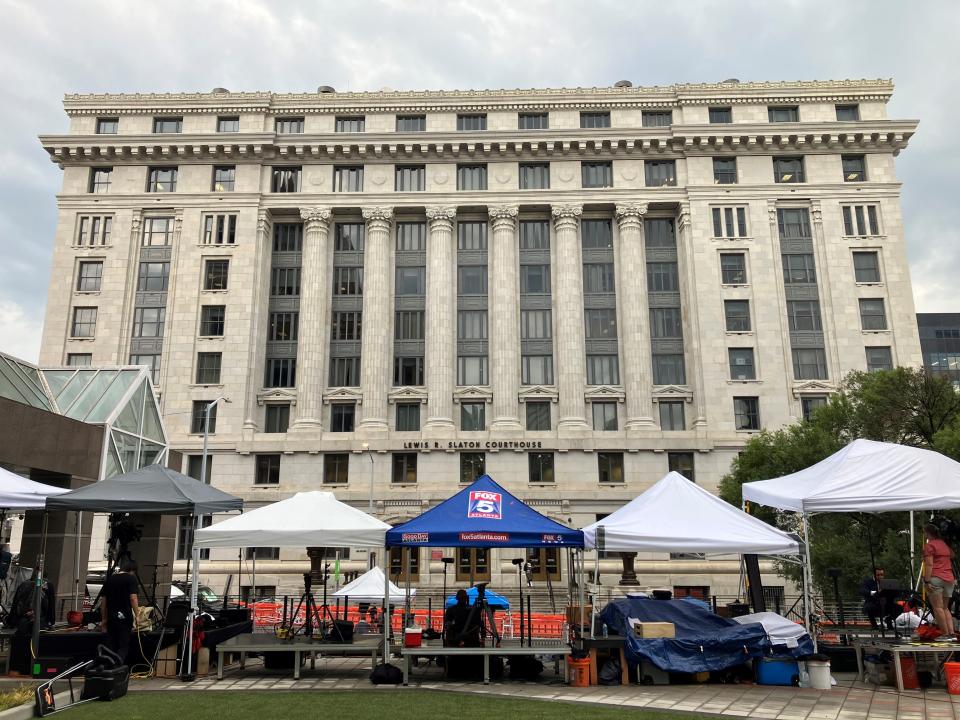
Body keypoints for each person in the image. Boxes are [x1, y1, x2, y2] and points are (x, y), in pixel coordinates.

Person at [100, 559, 139, 662]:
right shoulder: (131, 579)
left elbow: (103, 603)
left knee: (111, 645)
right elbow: (133, 598)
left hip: (111, 618)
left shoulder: (110, 580)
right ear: (132, 570)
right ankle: (117, 666)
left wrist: (104, 619)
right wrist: (138, 616)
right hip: (124, 617)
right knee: (123, 645)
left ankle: (107, 666)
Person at [923, 522, 956, 641]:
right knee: (945, 607)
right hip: (949, 578)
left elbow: (929, 564)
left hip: (936, 578)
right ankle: (951, 634)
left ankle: (945, 634)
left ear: (927, 533)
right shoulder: (943, 544)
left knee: (937, 607)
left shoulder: (929, 546)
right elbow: (952, 555)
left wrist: (926, 581)